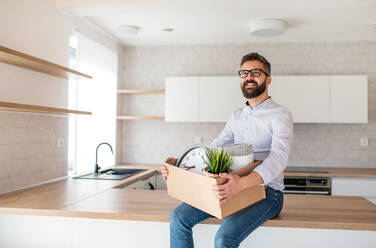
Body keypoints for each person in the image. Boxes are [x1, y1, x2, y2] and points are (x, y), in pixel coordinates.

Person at [161, 52, 293, 248]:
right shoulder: (236, 115)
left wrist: (244, 183)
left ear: (268, 79)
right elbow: (215, 148)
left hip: (268, 194)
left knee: (224, 238)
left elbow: (279, 157)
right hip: (234, 187)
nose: (249, 77)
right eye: (244, 73)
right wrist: (181, 165)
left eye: (256, 72)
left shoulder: (280, 114)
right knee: (178, 217)